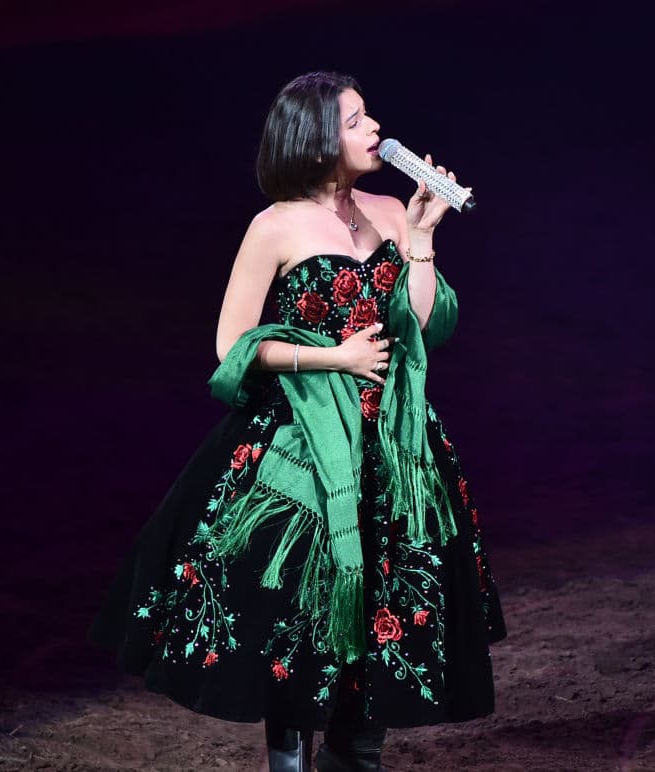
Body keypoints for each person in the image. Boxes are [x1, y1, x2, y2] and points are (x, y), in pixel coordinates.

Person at [89, 71, 506, 772]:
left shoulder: (390, 209)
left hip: (393, 443)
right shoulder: (274, 226)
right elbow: (233, 346)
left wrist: (424, 236)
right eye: (355, 121)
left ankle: (357, 754)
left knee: (388, 608)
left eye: (369, 115)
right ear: (316, 144)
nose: (375, 129)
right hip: (302, 447)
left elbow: (424, 329)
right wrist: (334, 358)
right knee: (296, 614)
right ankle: (289, 759)